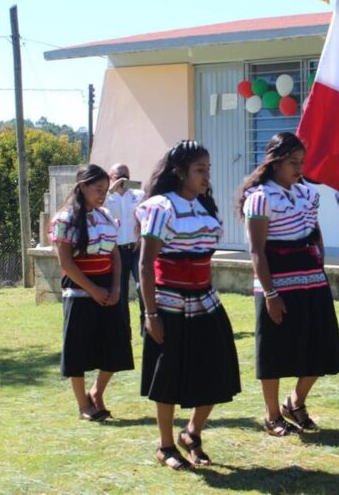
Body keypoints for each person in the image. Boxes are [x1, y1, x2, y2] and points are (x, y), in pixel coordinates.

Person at [136, 141, 241, 471]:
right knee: (168, 375)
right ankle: (165, 445)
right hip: (169, 304)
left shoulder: (204, 208)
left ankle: (192, 432)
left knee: (216, 367)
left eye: (208, 169)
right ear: (179, 172)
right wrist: (151, 314)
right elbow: (144, 264)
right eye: (200, 169)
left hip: (205, 301)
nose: (206, 176)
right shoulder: (160, 207)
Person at [239, 132, 339, 436]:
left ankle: (296, 401)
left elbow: (314, 229)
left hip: (312, 280)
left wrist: (320, 260)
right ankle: (272, 414)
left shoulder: (306, 193)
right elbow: (257, 249)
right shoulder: (260, 197)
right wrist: (271, 293)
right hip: (278, 282)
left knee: (320, 346)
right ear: (274, 163)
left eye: (301, 162)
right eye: (292, 163)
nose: (299, 168)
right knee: (275, 350)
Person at [49, 164, 134, 422]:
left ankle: (97, 393)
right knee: (78, 350)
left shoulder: (106, 216)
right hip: (80, 293)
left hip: (108, 290)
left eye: (105, 190)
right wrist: (93, 289)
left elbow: (115, 254)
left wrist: (116, 287)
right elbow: (66, 263)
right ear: (82, 186)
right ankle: (82, 404)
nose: (102, 195)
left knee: (116, 344)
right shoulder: (64, 220)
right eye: (97, 189)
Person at [104, 163, 145, 336]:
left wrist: (142, 238)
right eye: (119, 175)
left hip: (135, 249)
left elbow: (145, 218)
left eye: (126, 175)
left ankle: (147, 328)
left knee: (142, 287)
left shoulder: (138, 195)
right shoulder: (107, 197)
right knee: (120, 293)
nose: (123, 179)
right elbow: (98, 207)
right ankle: (124, 331)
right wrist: (110, 190)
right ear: (111, 177)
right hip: (117, 251)